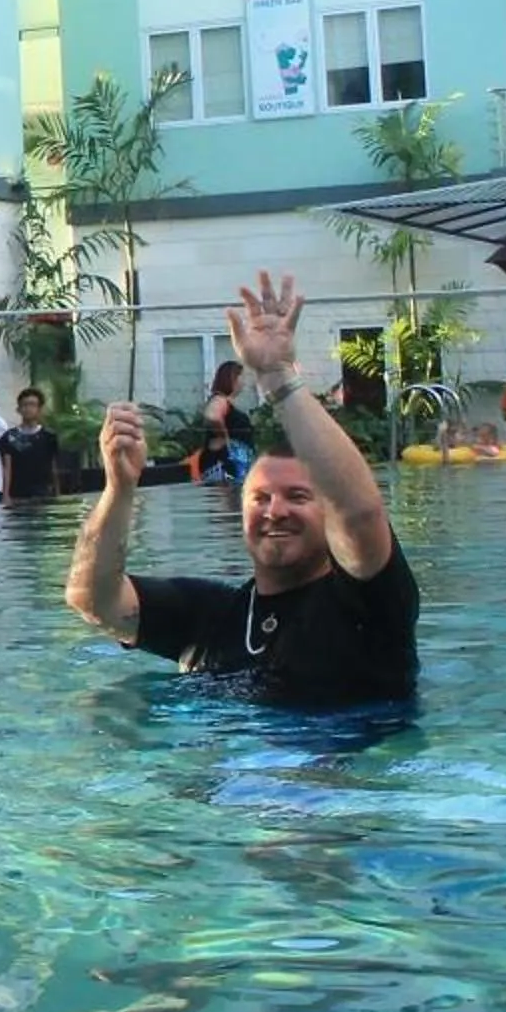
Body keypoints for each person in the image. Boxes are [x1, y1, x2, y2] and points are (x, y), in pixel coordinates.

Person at [65, 273, 419, 706]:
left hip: (346, 766)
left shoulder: (368, 607)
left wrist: (277, 379)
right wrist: (119, 489)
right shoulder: (212, 615)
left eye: (298, 496)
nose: (275, 510)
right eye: (261, 498)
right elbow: (92, 600)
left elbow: (361, 514)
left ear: (329, 514)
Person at [198, 361, 255, 486]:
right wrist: (224, 436)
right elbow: (212, 416)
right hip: (224, 463)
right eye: (241, 377)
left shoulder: (226, 402)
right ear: (232, 379)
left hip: (234, 463)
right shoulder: (220, 400)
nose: (244, 382)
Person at [1, 387, 62, 502]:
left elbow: (54, 467)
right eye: (24, 405)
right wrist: (5, 495)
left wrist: (57, 494)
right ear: (18, 409)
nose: (28, 408)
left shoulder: (49, 437)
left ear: (40, 409)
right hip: (18, 496)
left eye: (32, 405)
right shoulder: (10, 437)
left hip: (44, 494)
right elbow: (6, 468)